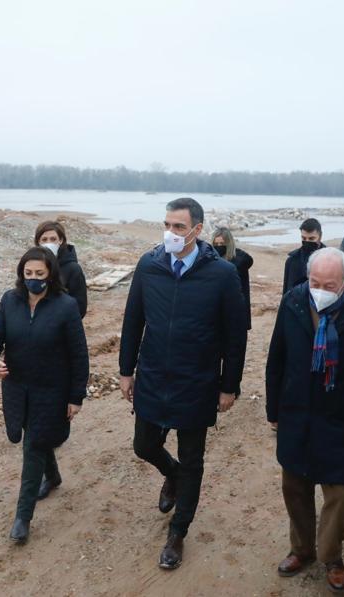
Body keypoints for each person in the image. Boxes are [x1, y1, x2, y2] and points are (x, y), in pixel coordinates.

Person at [119, 197, 247, 570]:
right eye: (167, 225)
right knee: (144, 445)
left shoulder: (222, 274)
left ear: (197, 229)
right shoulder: (149, 265)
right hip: (154, 374)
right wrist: (127, 370)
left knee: (193, 459)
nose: (171, 233)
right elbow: (133, 320)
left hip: (198, 380)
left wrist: (229, 385)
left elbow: (234, 336)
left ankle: (177, 533)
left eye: (179, 227)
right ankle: (170, 473)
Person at [265, 247, 344, 592]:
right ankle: (301, 549)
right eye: (314, 281)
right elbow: (277, 357)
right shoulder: (294, 301)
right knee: (295, 487)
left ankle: (331, 555)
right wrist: (273, 409)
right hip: (297, 413)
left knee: (341, 494)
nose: (319, 289)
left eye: (329, 283)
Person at [0, 247, 89, 544]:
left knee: (33, 447)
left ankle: (22, 517)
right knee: (34, 438)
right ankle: (52, 476)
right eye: (28, 274)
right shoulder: (10, 300)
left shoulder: (65, 306)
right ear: (21, 274)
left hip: (51, 392)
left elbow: (79, 356)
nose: (33, 279)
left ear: (50, 274)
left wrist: (75, 397)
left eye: (39, 274)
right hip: (16, 388)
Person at [34, 221, 88, 318]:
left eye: (53, 239)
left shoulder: (73, 269)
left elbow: (80, 307)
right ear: (38, 242)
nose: (48, 243)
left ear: (61, 240)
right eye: (44, 239)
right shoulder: (32, 266)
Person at [212, 227, 254, 330]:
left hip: (235, 310)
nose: (219, 247)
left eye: (222, 244)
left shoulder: (239, 261)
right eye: (216, 244)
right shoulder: (212, 258)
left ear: (228, 244)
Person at [283, 218, 324, 294]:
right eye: (304, 238)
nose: (307, 241)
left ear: (320, 236)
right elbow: (287, 291)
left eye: (311, 238)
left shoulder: (330, 260)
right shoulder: (292, 261)